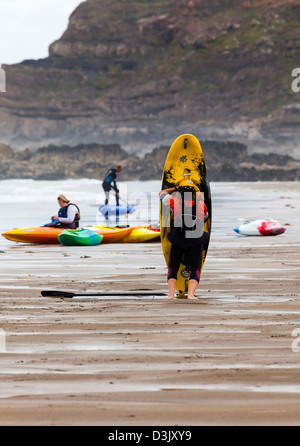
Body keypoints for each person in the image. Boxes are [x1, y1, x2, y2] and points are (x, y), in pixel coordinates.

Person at [159, 179, 209, 300]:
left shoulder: (174, 202)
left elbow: (161, 193)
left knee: (173, 267)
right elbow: (205, 217)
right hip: (195, 239)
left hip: (178, 238)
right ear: (193, 192)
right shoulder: (202, 204)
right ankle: (190, 295)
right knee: (195, 268)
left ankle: (171, 295)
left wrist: (175, 188)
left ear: (181, 193)